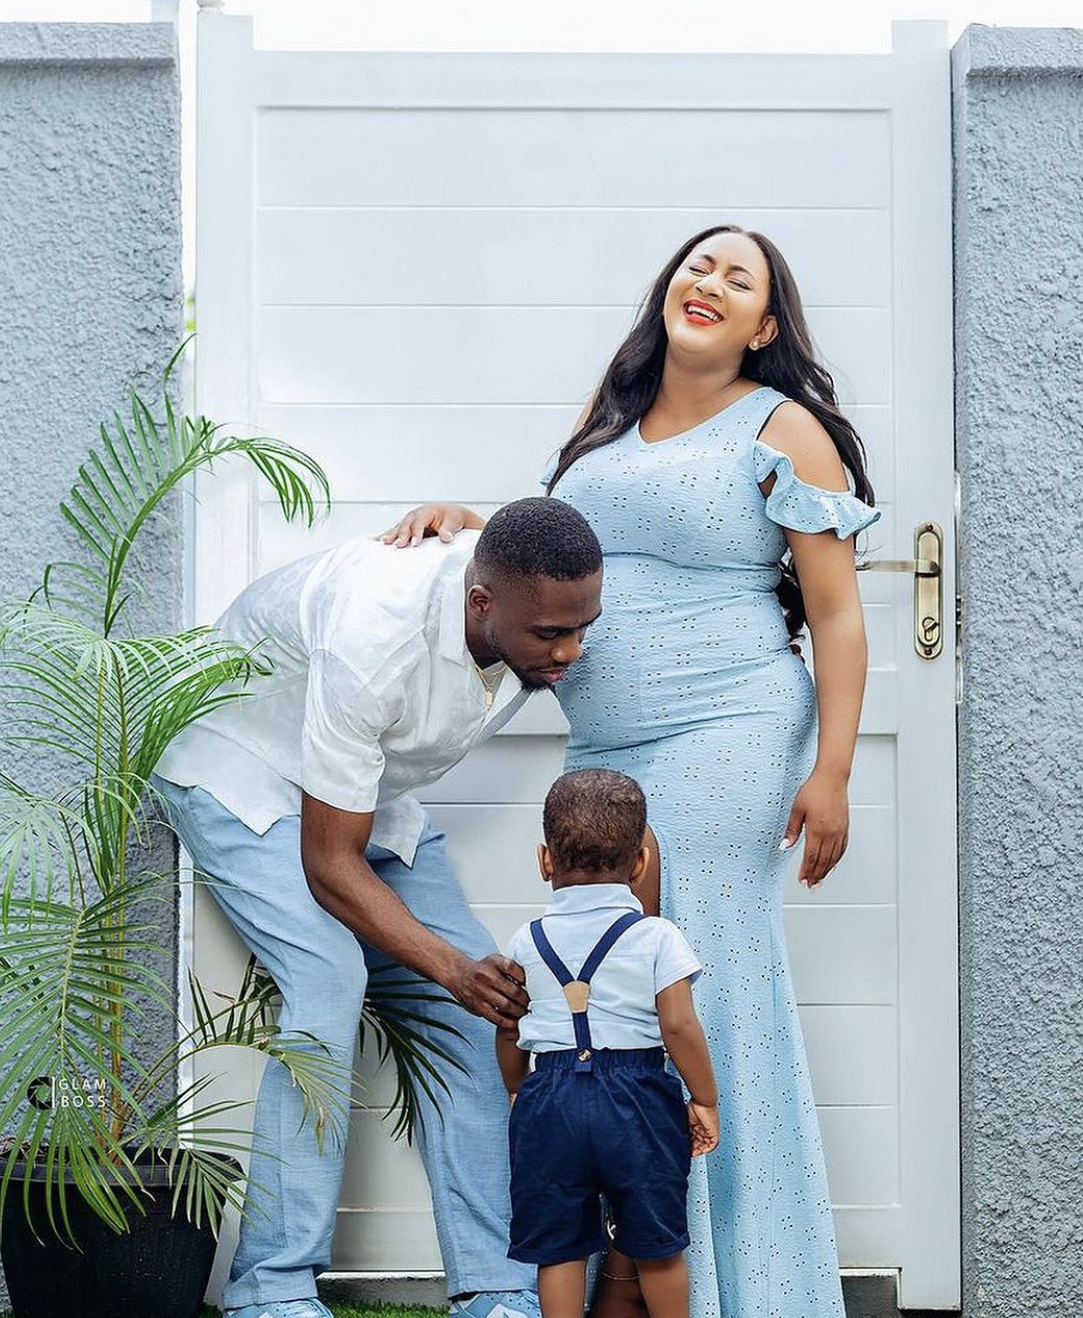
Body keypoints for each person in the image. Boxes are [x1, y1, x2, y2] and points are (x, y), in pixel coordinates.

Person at [384, 224, 881, 1318]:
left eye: (738, 278)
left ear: (765, 324)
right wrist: (472, 525)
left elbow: (838, 614)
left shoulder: (783, 427)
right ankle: (635, 1279)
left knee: (696, 983)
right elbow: (562, 549)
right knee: (608, 999)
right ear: (669, 290)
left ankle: (749, 1287)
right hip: (607, 750)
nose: (709, 282)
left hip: (729, 728)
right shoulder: (605, 425)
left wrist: (834, 769)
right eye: (698, 264)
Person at [153, 497, 604, 1318]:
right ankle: (272, 1289)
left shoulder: (520, 587)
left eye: (581, 628)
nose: (570, 651)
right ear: (481, 602)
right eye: (549, 635)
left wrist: (463, 511)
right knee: (329, 976)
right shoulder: (375, 637)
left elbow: (502, 543)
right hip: (242, 768)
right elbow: (330, 866)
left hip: (362, 789)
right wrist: (447, 966)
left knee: (477, 1005)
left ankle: (495, 1287)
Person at [497, 768, 719, 1318]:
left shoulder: (527, 940)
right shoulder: (657, 937)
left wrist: (517, 1088)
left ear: (545, 860)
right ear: (639, 863)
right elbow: (679, 1025)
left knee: (559, 1248)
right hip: (638, 1098)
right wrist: (705, 1099)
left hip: (549, 1098)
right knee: (657, 1245)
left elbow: (508, 1025)